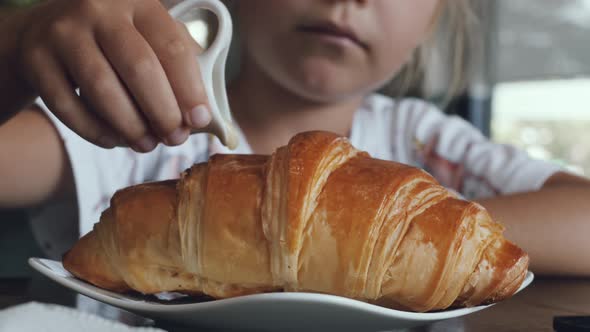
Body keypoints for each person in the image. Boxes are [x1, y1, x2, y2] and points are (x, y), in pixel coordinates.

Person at [1, 0, 589, 279]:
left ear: (433, 19)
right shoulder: (135, 129)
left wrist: (380, 233)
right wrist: (14, 51)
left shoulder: (424, 141)